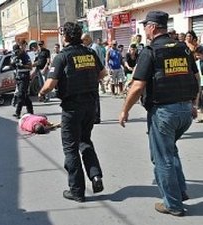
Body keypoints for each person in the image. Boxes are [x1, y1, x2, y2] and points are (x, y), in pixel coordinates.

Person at [119, 11, 200, 216]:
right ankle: (180, 191)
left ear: (153, 27)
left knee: (162, 158)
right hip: (185, 111)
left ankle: (172, 204)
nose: (144, 29)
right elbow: (196, 77)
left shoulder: (150, 51)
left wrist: (124, 110)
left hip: (164, 113)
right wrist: (193, 103)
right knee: (170, 151)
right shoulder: (183, 48)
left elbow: (137, 86)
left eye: (146, 26)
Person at [38, 22, 107, 202]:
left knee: (71, 148)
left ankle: (76, 191)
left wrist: (41, 92)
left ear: (66, 37)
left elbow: (50, 83)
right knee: (85, 141)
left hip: (72, 107)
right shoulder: (90, 53)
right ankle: (96, 176)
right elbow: (103, 73)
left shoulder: (63, 57)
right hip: (91, 105)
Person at [81, 33, 104, 123]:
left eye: (83, 41)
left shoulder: (92, 49)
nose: (82, 43)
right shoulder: (94, 47)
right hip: (96, 74)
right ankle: (94, 116)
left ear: (87, 39)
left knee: (94, 96)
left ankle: (96, 116)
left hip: (94, 75)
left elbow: (97, 63)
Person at [11, 43, 33, 119]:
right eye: (15, 52)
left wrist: (22, 65)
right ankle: (30, 111)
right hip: (18, 77)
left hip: (25, 77)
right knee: (24, 95)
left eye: (17, 51)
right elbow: (13, 67)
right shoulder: (15, 56)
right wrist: (13, 63)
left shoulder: (25, 55)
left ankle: (18, 112)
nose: (17, 53)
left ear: (20, 49)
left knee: (20, 95)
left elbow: (30, 66)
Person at [194, 46, 203, 122]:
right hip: (200, 82)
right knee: (200, 98)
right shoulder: (197, 63)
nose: (198, 57)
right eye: (197, 55)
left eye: (199, 55)